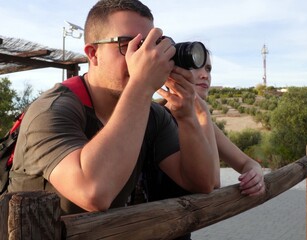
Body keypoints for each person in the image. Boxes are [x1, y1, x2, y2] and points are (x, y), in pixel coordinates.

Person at [7, 0, 219, 215]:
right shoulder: (51, 111)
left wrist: (187, 117)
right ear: (93, 54)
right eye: (129, 46)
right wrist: (142, 84)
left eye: (150, 46)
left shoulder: (153, 115)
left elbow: (202, 182)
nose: (144, 58)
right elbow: (94, 193)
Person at [160, 49, 265, 197]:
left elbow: (246, 163)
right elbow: (213, 183)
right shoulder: (159, 118)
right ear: (175, 71)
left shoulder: (204, 123)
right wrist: (203, 112)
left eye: (208, 69)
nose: (205, 75)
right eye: (195, 66)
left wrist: (256, 173)